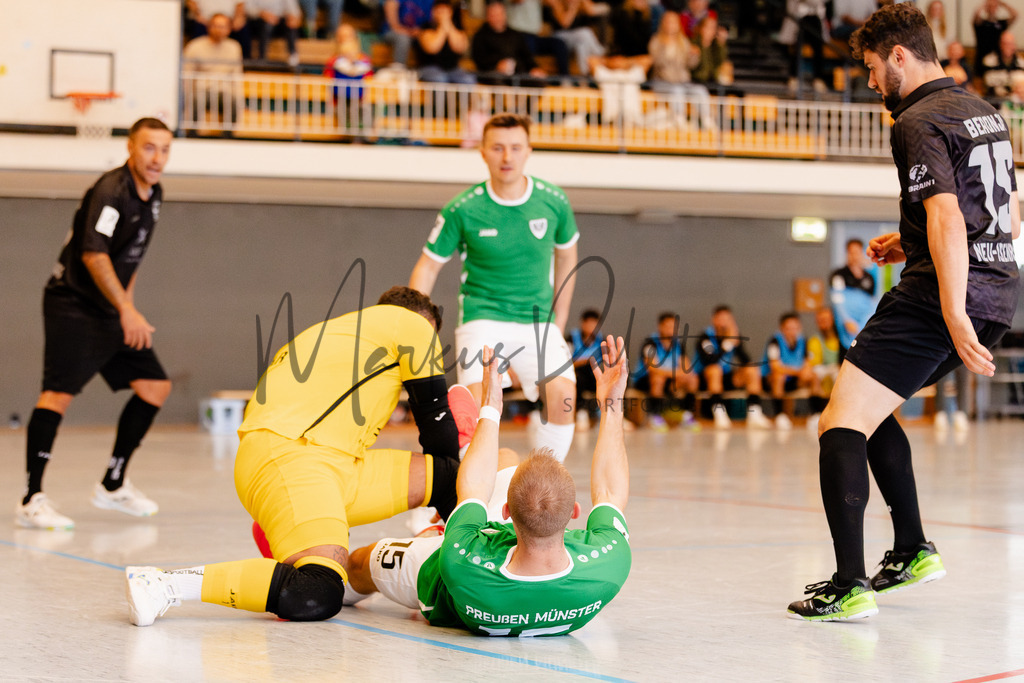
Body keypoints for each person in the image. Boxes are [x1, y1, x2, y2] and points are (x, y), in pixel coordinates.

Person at [788, 2, 1020, 621]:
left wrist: (952, 310)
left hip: (941, 299)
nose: (869, 83)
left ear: (899, 55)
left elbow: (946, 213)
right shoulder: (983, 111)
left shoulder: (916, 118)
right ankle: (913, 548)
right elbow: (1002, 214)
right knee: (870, 404)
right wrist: (911, 242)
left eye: (870, 68)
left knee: (838, 422)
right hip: (1000, 289)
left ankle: (848, 584)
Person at [124, 287, 465, 626]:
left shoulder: (329, 333)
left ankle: (463, 567)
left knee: (449, 477)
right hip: (295, 460)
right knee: (316, 592)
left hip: (331, 463)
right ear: (426, 322)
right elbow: (435, 421)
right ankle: (164, 583)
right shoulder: (415, 327)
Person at [345, 337, 632, 636]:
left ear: (505, 513)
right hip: (496, 563)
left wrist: (491, 408)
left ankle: (330, 585)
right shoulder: (610, 563)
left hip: (440, 582)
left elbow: (472, 491)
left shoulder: (457, 556)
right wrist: (612, 405)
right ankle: (467, 448)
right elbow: (611, 492)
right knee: (506, 459)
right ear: (574, 512)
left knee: (357, 563)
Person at [16, 119, 174, 531]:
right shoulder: (112, 191)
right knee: (57, 396)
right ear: (130, 148)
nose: (157, 158)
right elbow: (94, 254)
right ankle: (32, 498)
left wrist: (129, 309)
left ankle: (112, 483)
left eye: (164, 149)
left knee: (155, 387)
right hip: (73, 304)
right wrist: (125, 309)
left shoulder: (154, 195)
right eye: (149, 148)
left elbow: (130, 260)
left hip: (112, 309)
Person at [409, 113, 580, 463]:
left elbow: (567, 262)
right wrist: (415, 327)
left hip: (538, 321)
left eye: (516, 148)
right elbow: (427, 267)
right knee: (478, 407)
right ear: (483, 152)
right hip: (482, 317)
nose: (507, 157)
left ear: (528, 151)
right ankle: (474, 492)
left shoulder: (554, 203)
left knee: (564, 395)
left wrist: (557, 326)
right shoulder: (463, 208)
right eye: (498, 148)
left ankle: (540, 486)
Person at [692, 305, 771, 430]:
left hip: (727, 376)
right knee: (715, 370)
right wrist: (727, 344)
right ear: (714, 320)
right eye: (721, 319)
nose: (724, 323)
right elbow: (710, 360)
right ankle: (719, 413)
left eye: (727, 319)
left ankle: (754, 413)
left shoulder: (732, 335)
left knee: (751, 369)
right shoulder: (705, 338)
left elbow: (746, 360)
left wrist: (737, 342)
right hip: (705, 379)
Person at [647, 11, 714, 129]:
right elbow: (657, 62)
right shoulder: (656, 41)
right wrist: (666, 47)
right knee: (677, 91)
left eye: (673, 22)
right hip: (663, 81)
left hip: (683, 81)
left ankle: (707, 119)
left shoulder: (683, 41)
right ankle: (679, 118)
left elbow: (691, 65)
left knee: (700, 90)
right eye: (668, 21)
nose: (670, 25)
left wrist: (694, 55)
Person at [633, 313, 699, 431]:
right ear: (660, 327)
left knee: (692, 379)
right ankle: (655, 415)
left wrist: (681, 374)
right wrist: (677, 373)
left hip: (669, 379)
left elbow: (687, 368)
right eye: (668, 326)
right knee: (658, 379)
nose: (671, 329)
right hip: (645, 380)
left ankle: (686, 414)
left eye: (674, 326)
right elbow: (653, 369)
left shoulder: (678, 345)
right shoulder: (650, 343)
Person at [182, 13, 244, 128]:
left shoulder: (234, 47)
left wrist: (238, 95)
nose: (219, 30)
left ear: (229, 29)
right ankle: (192, 133)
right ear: (209, 27)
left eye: (223, 26)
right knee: (196, 100)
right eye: (216, 26)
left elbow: (237, 74)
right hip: (201, 88)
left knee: (232, 101)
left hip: (224, 90)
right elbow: (187, 73)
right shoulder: (195, 46)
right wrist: (186, 94)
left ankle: (228, 136)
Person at [472, 0, 550, 85]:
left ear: (504, 14)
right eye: (493, 15)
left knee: (538, 81)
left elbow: (527, 56)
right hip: (493, 75)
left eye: (499, 14)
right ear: (488, 16)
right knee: (497, 81)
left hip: (518, 73)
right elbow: (480, 60)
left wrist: (534, 68)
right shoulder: (480, 36)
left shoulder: (515, 35)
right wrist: (497, 65)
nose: (497, 18)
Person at [761, 312, 814, 430]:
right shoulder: (774, 341)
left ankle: (815, 413)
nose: (792, 331)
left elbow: (807, 362)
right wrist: (798, 372)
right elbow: (775, 367)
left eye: (795, 328)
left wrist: (805, 371)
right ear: (782, 329)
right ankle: (780, 415)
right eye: (788, 328)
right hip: (771, 381)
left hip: (793, 380)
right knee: (778, 376)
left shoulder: (803, 340)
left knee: (813, 376)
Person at [830, 238, 876, 350]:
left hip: (862, 324)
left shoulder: (869, 278)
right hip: (845, 326)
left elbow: (871, 302)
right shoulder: (839, 275)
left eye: (857, 252)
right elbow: (837, 299)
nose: (854, 255)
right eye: (851, 252)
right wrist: (847, 320)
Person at [415, 0, 477, 84]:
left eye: (445, 12)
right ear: (433, 12)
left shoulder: (457, 28)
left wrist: (449, 26)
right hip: (429, 67)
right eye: (439, 11)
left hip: (452, 68)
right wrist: (442, 27)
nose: (442, 15)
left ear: (450, 12)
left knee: (468, 80)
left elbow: (459, 48)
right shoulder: (426, 27)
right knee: (440, 78)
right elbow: (432, 48)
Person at [505, 0, 571, 76]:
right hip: (515, 35)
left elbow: (563, 19)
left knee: (559, 44)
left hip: (534, 36)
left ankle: (564, 79)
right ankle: (530, 78)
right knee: (526, 50)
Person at [543, 0, 608, 77]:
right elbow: (565, 23)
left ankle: (584, 75)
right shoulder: (557, 3)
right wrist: (573, 7)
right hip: (560, 37)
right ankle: (600, 52)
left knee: (581, 45)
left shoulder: (580, 4)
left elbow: (591, 11)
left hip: (576, 38)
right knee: (585, 32)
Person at [779, 0, 830, 96]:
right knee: (796, 49)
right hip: (799, 17)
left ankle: (818, 79)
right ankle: (793, 78)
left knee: (818, 49)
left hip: (816, 16)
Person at [805, 306, 841, 433]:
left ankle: (839, 412)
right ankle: (816, 413)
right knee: (814, 375)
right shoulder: (815, 340)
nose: (823, 323)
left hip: (839, 370)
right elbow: (813, 363)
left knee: (839, 376)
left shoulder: (842, 339)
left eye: (826, 319)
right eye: (820, 320)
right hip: (822, 369)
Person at [567, 308, 603, 428]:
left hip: (594, 375)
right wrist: (585, 361)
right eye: (589, 323)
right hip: (577, 374)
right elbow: (565, 363)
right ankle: (581, 412)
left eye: (595, 323)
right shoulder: (571, 339)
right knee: (578, 378)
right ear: (583, 323)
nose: (592, 327)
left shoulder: (602, 340)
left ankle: (606, 412)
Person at [248, 0, 302, 64]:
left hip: (279, 20)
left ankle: (293, 56)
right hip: (259, 21)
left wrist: (292, 17)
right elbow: (248, 8)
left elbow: (294, 11)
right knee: (267, 25)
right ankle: (262, 57)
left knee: (290, 25)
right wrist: (262, 13)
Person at [972, 0, 1017, 76]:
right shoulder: (981, 23)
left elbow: (1015, 15)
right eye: (990, 7)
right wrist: (986, 4)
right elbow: (976, 17)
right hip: (982, 58)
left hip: (997, 60)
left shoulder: (1000, 23)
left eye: (994, 7)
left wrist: (1001, 4)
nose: (992, 8)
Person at [383, 0, 435, 66]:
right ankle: (398, 69)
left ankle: (427, 70)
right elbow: (390, 5)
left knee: (428, 37)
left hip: (418, 33)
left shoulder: (430, 2)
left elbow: (432, 22)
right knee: (403, 38)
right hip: (393, 31)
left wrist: (420, 31)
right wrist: (399, 28)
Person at [982, 30, 1024, 100]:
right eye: (1005, 44)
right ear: (1000, 44)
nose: (1008, 47)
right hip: (995, 102)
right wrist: (1010, 91)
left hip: (1016, 102)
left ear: (1015, 46)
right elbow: (991, 86)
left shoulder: (1021, 63)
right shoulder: (989, 61)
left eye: (1011, 44)